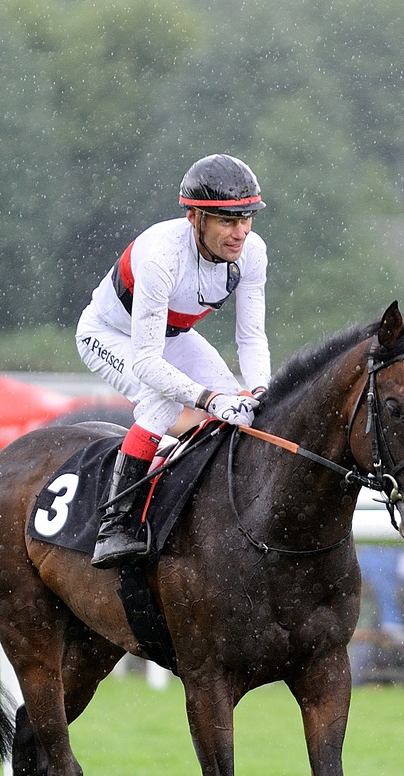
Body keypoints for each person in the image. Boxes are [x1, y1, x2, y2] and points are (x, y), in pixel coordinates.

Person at [76, 154, 271, 568]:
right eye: (227, 221)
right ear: (194, 218)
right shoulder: (160, 256)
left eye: (247, 218)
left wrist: (258, 391)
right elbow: (147, 364)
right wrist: (206, 399)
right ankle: (116, 525)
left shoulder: (253, 253)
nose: (240, 233)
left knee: (242, 405)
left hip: (170, 335)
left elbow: (251, 337)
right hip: (109, 335)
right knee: (163, 401)